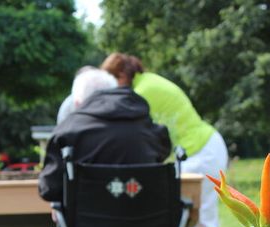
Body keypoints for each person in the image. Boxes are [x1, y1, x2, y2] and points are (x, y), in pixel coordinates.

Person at [101, 53, 229, 227]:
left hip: (201, 152)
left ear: (122, 74)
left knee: (199, 218)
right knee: (203, 218)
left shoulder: (142, 92)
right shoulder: (149, 82)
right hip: (206, 147)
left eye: (113, 81)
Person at [39, 69, 171, 201]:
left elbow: (49, 190)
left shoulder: (66, 133)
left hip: (88, 219)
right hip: (147, 218)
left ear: (78, 103)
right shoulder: (151, 131)